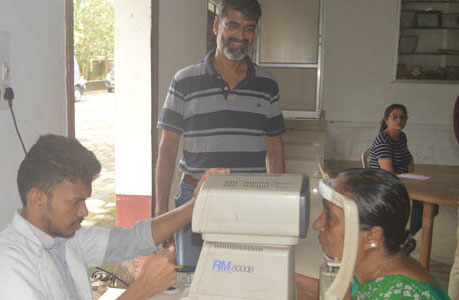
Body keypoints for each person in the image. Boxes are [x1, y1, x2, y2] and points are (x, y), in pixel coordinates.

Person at [0, 134, 229, 300]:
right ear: (38, 198)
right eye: (75, 202)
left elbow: (132, 239)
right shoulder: (10, 265)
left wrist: (195, 205)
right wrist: (143, 288)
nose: (84, 212)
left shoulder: (64, 238)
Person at [156, 0, 286, 268]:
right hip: (195, 198)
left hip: (250, 199)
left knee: (244, 276)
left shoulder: (267, 83)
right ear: (217, 26)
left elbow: (274, 149)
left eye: (249, 29)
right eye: (233, 26)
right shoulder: (184, 81)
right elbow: (167, 149)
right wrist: (161, 210)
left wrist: (277, 202)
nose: (240, 36)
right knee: (194, 277)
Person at [296, 168, 451, 300]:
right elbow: (356, 294)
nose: (317, 225)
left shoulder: (402, 295)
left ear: (371, 236)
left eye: (329, 216)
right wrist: (290, 279)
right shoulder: (379, 265)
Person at [369, 104, 433, 236]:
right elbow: (388, 174)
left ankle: (406, 236)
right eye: (394, 117)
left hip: (401, 180)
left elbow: (407, 160)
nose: (399, 120)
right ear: (386, 120)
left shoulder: (402, 137)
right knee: (425, 203)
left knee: (432, 202)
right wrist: (409, 180)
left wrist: (413, 178)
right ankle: (403, 237)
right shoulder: (383, 140)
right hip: (385, 184)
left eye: (402, 117)